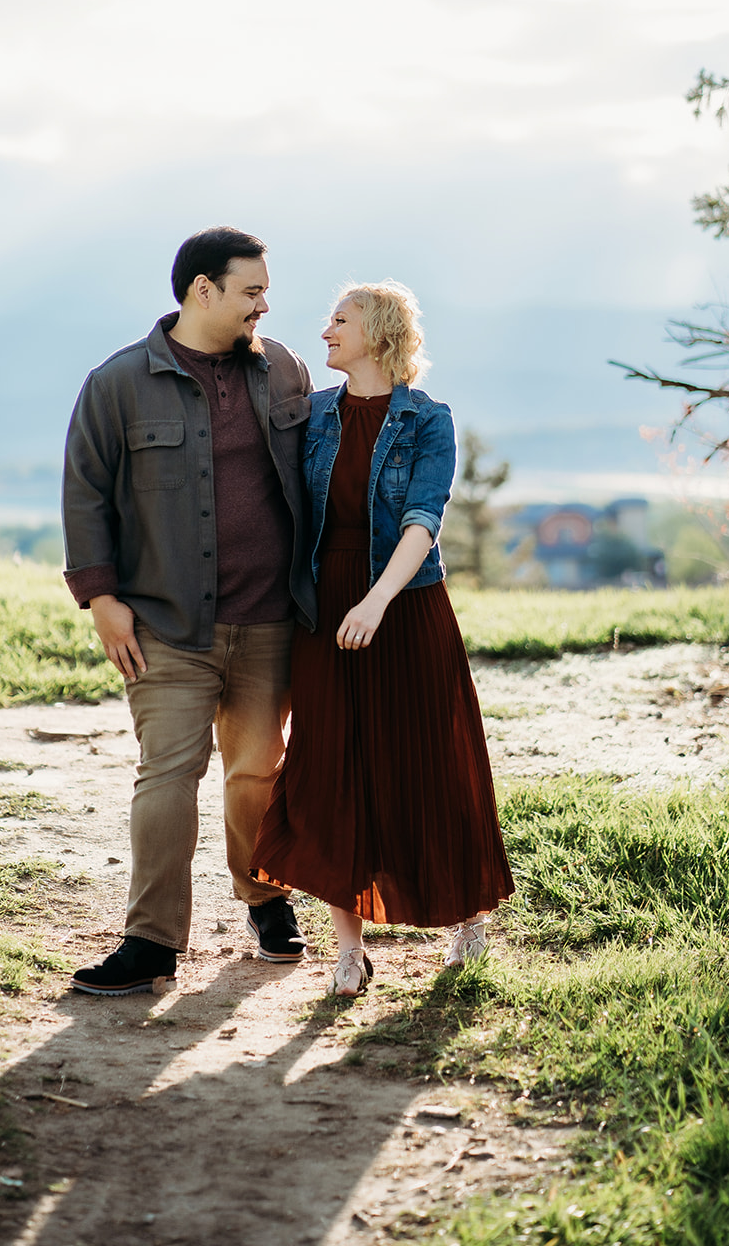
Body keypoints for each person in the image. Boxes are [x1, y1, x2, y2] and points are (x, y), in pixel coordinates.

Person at [62, 226, 316, 995]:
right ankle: (149, 942)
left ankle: (264, 894)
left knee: (256, 772)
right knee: (167, 775)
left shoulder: (283, 372)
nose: (264, 306)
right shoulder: (117, 383)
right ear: (201, 290)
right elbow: (85, 492)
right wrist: (101, 598)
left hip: (270, 619)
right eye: (251, 292)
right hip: (165, 623)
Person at [251, 281, 514, 996]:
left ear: (379, 330)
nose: (326, 329)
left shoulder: (428, 420)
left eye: (340, 319)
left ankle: (465, 918)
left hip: (403, 604)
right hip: (323, 609)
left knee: (430, 761)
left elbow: (422, 520)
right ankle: (348, 950)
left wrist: (375, 601)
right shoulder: (312, 417)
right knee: (331, 765)